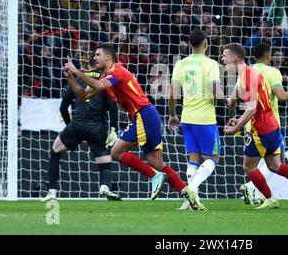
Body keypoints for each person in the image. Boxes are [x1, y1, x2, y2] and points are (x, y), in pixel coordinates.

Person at [64, 44, 198, 208]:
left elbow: (99, 87)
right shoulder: (106, 77)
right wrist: (71, 78)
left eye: (98, 55)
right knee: (157, 164)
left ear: (108, 57)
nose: (94, 58)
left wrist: (78, 71)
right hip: (147, 116)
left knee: (116, 151)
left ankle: (154, 177)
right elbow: (84, 96)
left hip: (143, 115)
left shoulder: (117, 71)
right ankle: (189, 194)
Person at [222, 43, 288, 209]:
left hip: (260, 128)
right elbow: (234, 102)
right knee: (275, 165)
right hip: (271, 125)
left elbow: (252, 109)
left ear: (235, 58)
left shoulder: (247, 77)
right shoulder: (250, 73)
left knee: (248, 166)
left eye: (224, 55)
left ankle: (270, 199)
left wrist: (236, 127)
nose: (222, 59)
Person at [41, 62, 121, 202]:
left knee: (55, 151)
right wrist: (114, 129)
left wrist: (69, 127)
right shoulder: (104, 80)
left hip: (78, 124)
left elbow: (63, 108)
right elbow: (113, 107)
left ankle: (52, 192)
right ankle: (104, 187)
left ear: (87, 65)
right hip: (98, 127)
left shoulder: (78, 79)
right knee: (104, 159)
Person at [168, 29, 228, 211]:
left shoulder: (180, 64)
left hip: (187, 117)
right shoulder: (211, 64)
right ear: (206, 44)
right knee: (213, 158)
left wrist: (172, 114)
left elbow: (172, 94)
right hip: (205, 119)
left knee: (193, 158)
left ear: (189, 45)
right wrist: (227, 100)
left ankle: (190, 201)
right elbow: (215, 91)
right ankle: (192, 189)